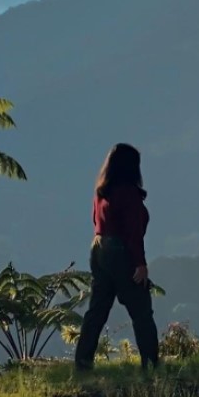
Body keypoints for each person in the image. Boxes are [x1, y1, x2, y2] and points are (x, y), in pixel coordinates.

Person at [75, 143, 160, 371]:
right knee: (141, 309)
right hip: (120, 251)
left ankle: (82, 363)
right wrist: (140, 264)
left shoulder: (101, 193)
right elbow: (133, 232)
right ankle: (150, 363)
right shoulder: (129, 193)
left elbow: (97, 222)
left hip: (98, 248)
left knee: (97, 310)